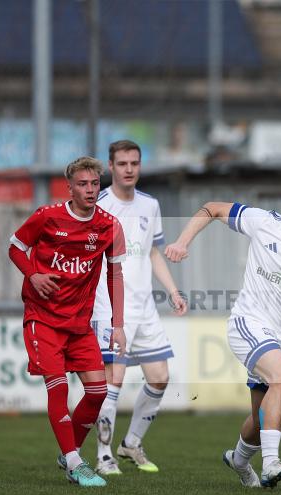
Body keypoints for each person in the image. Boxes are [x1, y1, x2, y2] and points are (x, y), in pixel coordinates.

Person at [165, 174, 281, 488]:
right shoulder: (264, 222)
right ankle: (271, 464)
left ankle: (238, 460)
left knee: (260, 419)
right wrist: (182, 242)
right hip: (247, 324)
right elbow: (212, 208)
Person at [9, 156, 127, 487]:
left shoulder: (109, 226)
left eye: (95, 184)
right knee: (58, 388)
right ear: (70, 188)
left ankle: (68, 451)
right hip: (42, 319)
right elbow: (16, 248)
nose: (90, 190)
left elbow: (115, 275)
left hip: (79, 325)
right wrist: (33, 275)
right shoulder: (47, 217)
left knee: (97, 391)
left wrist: (118, 324)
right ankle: (75, 463)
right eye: (83, 184)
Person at [90, 140, 188, 476]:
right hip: (110, 305)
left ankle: (130, 443)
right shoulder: (99, 205)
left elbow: (152, 252)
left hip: (145, 306)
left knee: (160, 378)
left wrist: (173, 290)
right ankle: (104, 456)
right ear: (111, 167)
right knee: (113, 380)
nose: (129, 169)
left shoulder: (150, 204)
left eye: (134, 163)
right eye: (122, 164)